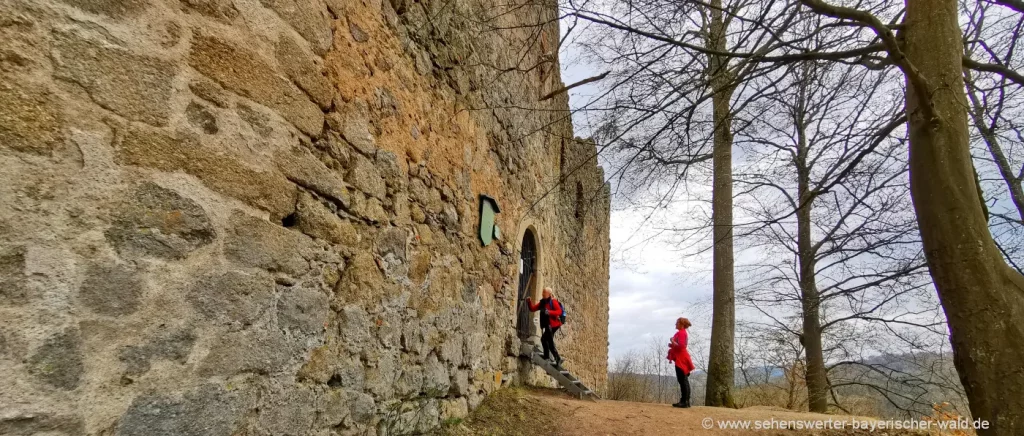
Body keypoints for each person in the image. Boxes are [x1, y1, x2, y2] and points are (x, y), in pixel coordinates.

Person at [526, 287, 564, 367]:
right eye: (543, 292)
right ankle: (549, 357)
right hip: (548, 325)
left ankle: (557, 358)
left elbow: (559, 311)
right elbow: (532, 309)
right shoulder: (542, 303)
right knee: (545, 340)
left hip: (554, 325)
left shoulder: (553, 301)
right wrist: (529, 302)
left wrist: (549, 312)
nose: (542, 294)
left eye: (544, 293)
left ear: (549, 294)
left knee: (546, 340)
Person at [667, 317, 695, 408]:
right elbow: (679, 345)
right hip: (681, 358)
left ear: (682, 324)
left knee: (683, 380)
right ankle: (685, 401)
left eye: (677, 323)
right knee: (683, 380)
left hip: (681, 359)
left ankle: (684, 402)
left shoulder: (682, 333)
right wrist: (672, 344)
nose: (675, 324)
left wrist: (672, 341)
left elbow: (682, 346)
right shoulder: (681, 333)